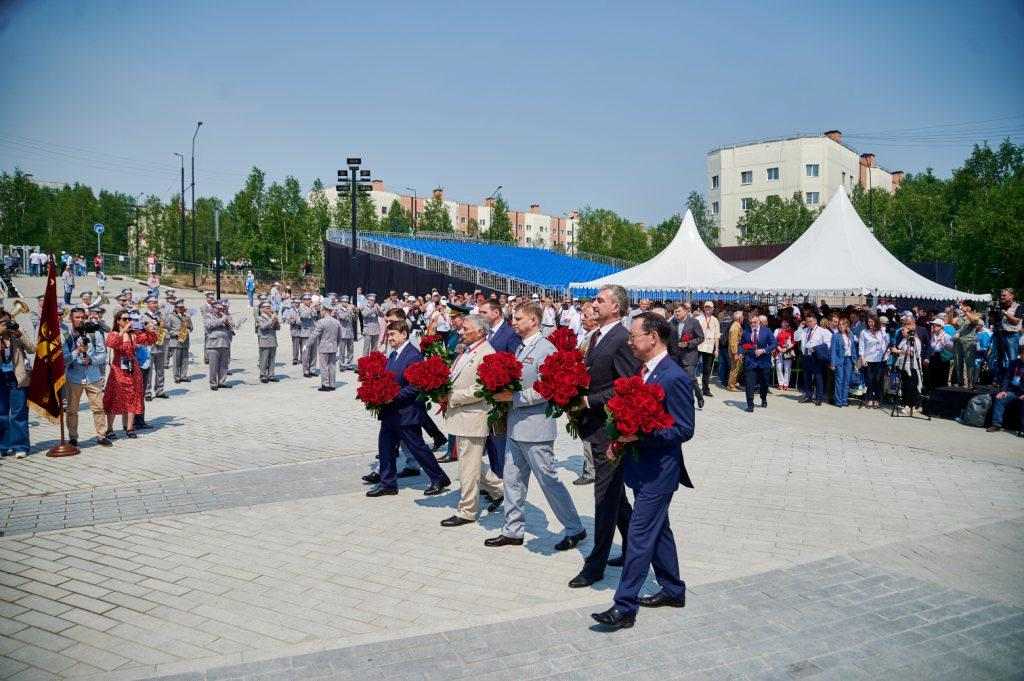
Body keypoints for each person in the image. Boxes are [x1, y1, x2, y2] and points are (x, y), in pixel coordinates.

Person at [591, 312, 694, 631]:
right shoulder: (644, 371)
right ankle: (673, 590)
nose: (630, 342)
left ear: (653, 337)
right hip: (641, 466)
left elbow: (684, 429)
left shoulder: (674, 377)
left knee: (638, 535)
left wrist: (642, 435)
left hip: (659, 472)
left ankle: (624, 607)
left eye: (634, 336)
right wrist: (619, 440)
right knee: (658, 530)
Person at [484, 301, 586, 551]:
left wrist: (513, 398)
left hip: (536, 428)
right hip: (515, 426)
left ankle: (574, 528)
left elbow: (547, 388)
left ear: (534, 321)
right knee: (512, 480)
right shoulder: (519, 346)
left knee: (548, 481)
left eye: (518, 318)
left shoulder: (546, 349)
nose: (513, 322)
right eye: (513, 318)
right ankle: (513, 530)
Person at [570, 285, 641, 590]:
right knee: (615, 496)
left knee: (605, 497)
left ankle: (595, 564)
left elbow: (626, 385)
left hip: (608, 431)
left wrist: (589, 401)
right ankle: (635, 548)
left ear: (617, 307)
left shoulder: (621, 339)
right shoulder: (596, 336)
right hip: (594, 426)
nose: (594, 304)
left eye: (600, 300)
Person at [365, 321, 451, 498]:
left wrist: (393, 396)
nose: (390, 338)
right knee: (385, 447)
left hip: (406, 412)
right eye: (388, 335)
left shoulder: (413, 356)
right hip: (390, 412)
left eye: (393, 334)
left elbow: (416, 386)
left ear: (404, 334)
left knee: (418, 448)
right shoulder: (393, 354)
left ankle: (439, 478)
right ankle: (388, 484)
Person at [438, 315, 505, 526]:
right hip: (462, 415)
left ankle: (467, 510)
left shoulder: (487, 353)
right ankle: (500, 489)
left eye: (466, 329)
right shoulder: (468, 349)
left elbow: (482, 389)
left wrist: (452, 397)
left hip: (473, 416)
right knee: (470, 461)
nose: (461, 332)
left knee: (467, 465)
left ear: (480, 332)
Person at [480, 299, 521, 479]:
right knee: (490, 439)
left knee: (499, 439)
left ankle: (503, 479)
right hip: (487, 393)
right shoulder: (486, 333)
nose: (480, 315)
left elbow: (515, 362)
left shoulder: (509, 334)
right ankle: (496, 477)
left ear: (496, 313)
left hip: (501, 395)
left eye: (484, 312)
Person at [62, 307, 112, 448]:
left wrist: (91, 360)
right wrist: (77, 351)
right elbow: (64, 359)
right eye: (77, 317)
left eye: (83, 317)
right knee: (72, 410)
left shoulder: (94, 333)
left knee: (98, 408)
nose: (80, 320)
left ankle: (102, 435)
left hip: (93, 376)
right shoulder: (66, 335)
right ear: (71, 319)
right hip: (74, 377)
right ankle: (73, 438)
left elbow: (103, 354)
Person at [103, 310, 155, 439]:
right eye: (125, 319)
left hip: (132, 370)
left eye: (129, 319)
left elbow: (149, 340)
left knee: (132, 398)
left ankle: (130, 428)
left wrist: (150, 330)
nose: (128, 321)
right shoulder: (114, 333)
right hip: (118, 371)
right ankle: (109, 429)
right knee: (114, 398)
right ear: (118, 321)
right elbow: (111, 343)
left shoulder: (134, 335)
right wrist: (123, 331)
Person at [573, 301, 599, 486]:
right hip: (583, 389)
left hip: (589, 391)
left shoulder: (594, 338)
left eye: (586, 316)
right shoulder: (588, 336)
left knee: (588, 430)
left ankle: (591, 470)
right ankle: (590, 466)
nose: (582, 319)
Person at [0, 312, 31, 458]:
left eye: (8, 321)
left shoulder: (16, 334)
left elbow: (32, 348)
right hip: (1, 378)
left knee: (19, 413)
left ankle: (20, 446)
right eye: (2, 323)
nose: (6, 325)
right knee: (1, 414)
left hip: (17, 378)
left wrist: (19, 334)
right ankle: (3, 446)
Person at [740, 313, 776, 412]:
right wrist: (741, 352)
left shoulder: (767, 331)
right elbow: (742, 344)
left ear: (759, 322)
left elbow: (774, 344)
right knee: (749, 383)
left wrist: (764, 350)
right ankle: (750, 404)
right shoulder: (746, 331)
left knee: (764, 383)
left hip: (764, 361)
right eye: (751, 322)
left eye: (755, 322)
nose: (753, 324)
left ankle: (763, 397)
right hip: (750, 361)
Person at [890, 317, 924, 415]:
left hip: (912, 367)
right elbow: (899, 348)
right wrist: (895, 350)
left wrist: (898, 351)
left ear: (909, 331)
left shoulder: (915, 340)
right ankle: (906, 404)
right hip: (903, 365)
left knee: (911, 386)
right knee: (905, 386)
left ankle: (913, 406)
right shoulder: (904, 340)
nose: (902, 332)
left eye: (903, 330)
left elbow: (912, 353)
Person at [987, 346, 1024, 433]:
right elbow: (1007, 378)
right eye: (1023, 354)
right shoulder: (1014, 363)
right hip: (1013, 390)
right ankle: (996, 424)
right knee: (1000, 398)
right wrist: (1003, 391)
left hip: (1022, 391)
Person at [799, 314, 832, 406]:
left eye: (810, 321)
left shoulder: (822, 331)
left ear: (815, 321)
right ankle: (808, 395)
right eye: (807, 321)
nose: (808, 323)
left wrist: (817, 348)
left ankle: (819, 398)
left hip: (816, 356)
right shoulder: (804, 330)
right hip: (806, 356)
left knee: (818, 377)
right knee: (807, 377)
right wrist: (800, 327)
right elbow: (796, 338)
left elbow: (828, 343)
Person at [141, 296, 170, 400]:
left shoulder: (160, 315)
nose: (155, 305)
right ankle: (147, 392)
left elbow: (167, 325)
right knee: (148, 371)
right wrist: (153, 326)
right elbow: (143, 328)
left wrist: (163, 325)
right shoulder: (144, 316)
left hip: (160, 345)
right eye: (152, 303)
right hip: (149, 347)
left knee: (160, 370)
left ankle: (159, 390)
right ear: (148, 304)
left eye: (156, 303)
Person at [858, 315, 888, 408]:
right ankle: (869, 398)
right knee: (870, 380)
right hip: (868, 359)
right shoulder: (864, 332)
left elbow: (887, 343)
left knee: (878, 380)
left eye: (872, 322)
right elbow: (861, 346)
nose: (870, 323)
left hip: (879, 359)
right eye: (869, 322)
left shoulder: (881, 331)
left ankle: (877, 399)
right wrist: (862, 358)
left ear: (876, 322)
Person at [312, 305, 343, 391]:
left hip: (324, 347)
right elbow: (340, 336)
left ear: (324, 311)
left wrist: (308, 344)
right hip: (333, 347)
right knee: (332, 366)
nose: (320, 313)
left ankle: (325, 385)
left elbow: (315, 334)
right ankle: (332, 384)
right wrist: (336, 344)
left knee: (324, 366)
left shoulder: (321, 322)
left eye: (321, 311)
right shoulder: (336, 322)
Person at [204, 301, 234, 390]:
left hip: (224, 343)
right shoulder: (208, 316)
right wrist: (222, 320)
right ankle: (213, 383)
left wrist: (229, 323)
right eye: (218, 308)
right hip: (213, 344)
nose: (220, 310)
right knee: (213, 366)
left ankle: (222, 382)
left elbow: (231, 328)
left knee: (224, 365)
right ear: (213, 308)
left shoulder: (224, 317)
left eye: (222, 308)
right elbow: (209, 325)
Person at [830, 318, 857, 407]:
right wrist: (833, 363)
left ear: (846, 325)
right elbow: (833, 350)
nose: (841, 326)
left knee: (847, 380)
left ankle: (844, 400)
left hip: (849, 360)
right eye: (839, 324)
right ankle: (838, 401)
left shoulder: (850, 335)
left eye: (843, 324)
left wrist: (855, 361)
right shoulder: (835, 336)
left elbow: (853, 348)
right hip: (839, 359)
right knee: (839, 380)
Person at [996, 288, 1021, 381]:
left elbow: (1016, 321)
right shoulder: (999, 306)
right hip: (1000, 336)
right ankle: (1002, 382)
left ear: (1011, 296)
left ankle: (1013, 382)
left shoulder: (1018, 306)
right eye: (1001, 295)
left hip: (1012, 336)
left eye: (1004, 295)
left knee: (1012, 360)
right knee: (1000, 359)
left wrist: (1005, 313)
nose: (1002, 297)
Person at [924, 316, 954, 393]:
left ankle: (942, 394)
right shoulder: (932, 335)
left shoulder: (946, 336)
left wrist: (944, 344)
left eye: (935, 325)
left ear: (941, 327)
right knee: (933, 377)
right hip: (934, 357)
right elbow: (931, 347)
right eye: (933, 325)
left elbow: (952, 348)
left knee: (942, 377)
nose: (933, 327)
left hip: (942, 358)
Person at [696, 301, 720, 397]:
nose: (708, 309)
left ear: (713, 309)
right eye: (706, 307)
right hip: (699, 345)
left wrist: (716, 349)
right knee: (693, 366)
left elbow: (717, 335)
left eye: (709, 307)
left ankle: (705, 389)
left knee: (707, 369)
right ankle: (689, 386)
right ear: (704, 308)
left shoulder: (715, 320)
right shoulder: (698, 318)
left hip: (710, 346)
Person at [167, 300, 192, 383]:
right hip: (176, 341)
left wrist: (188, 328)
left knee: (185, 360)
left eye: (182, 307)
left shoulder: (187, 317)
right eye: (179, 307)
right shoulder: (171, 317)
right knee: (176, 360)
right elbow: (167, 329)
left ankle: (183, 376)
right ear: (175, 308)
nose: (181, 309)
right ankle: (177, 377)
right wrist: (176, 333)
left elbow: (191, 328)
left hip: (185, 341)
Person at [255, 302, 280, 384]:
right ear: (262, 309)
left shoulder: (271, 317)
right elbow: (263, 327)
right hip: (264, 341)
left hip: (273, 340)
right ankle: (263, 375)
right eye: (267, 307)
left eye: (269, 307)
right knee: (264, 359)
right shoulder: (259, 318)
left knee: (272, 359)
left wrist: (276, 321)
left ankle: (271, 375)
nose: (269, 309)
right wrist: (271, 319)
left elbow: (277, 328)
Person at [335, 295, 356, 370]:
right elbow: (342, 317)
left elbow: (354, 319)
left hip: (350, 332)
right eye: (344, 302)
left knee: (350, 349)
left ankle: (350, 363)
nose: (346, 303)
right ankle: (342, 364)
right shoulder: (339, 309)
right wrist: (349, 310)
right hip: (342, 333)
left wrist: (354, 312)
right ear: (341, 302)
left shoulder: (349, 309)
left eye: (347, 301)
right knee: (342, 350)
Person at [773, 319, 795, 391]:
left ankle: (786, 384)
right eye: (784, 322)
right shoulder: (777, 330)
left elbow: (793, 342)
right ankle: (780, 384)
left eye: (786, 322)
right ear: (781, 323)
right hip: (778, 351)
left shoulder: (791, 331)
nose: (785, 323)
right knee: (779, 368)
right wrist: (779, 348)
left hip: (788, 352)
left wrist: (786, 348)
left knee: (787, 368)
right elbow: (774, 341)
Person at [727, 310, 744, 391]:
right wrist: (735, 353)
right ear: (739, 318)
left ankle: (734, 383)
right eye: (742, 316)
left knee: (736, 368)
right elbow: (733, 341)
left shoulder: (737, 325)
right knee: (734, 368)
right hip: (735, 351)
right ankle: (731, 385)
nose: (743, 318)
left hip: (737, 350)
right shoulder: (735, 327)